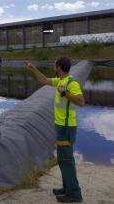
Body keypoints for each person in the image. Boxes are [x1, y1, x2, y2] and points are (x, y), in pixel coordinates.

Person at [27, 57, 84, 203]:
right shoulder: (61, 81)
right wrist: (33, 69)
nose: (53, 66)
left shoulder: (71, 83)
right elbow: (44, 80)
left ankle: (74, 194)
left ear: (59, 67)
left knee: (66, 159)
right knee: (63, 159)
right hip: (61, 126)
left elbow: (81, 101)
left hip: (66, 127)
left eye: (54, 64)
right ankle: (67, 187)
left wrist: (65, 93)